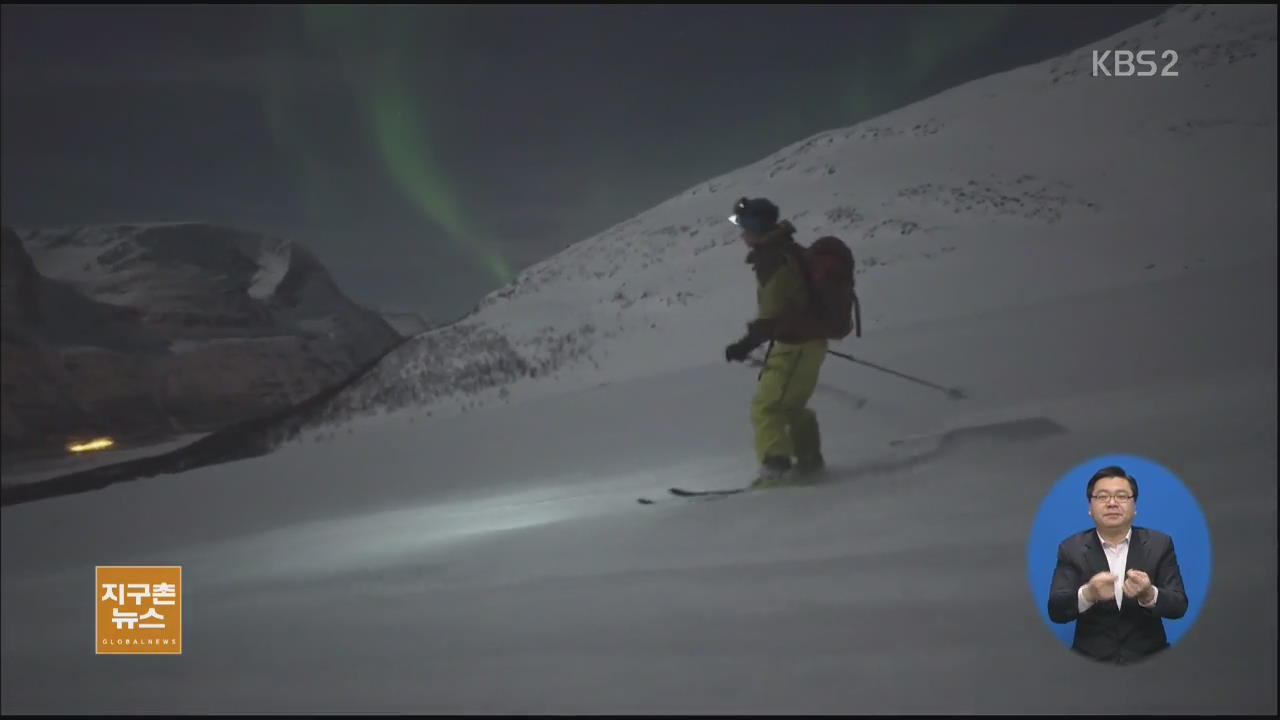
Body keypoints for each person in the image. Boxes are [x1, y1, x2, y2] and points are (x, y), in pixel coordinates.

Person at [724, 197, 828, 488]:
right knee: (792, 406)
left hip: (794, 344)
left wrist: (746, 344)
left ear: (754, 227)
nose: (741, 233)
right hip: (810, 341)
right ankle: (809, 465)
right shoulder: (788, 251)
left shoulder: (774, 259)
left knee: (766, 407)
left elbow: (773, 313)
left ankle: (776, 469)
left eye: (742, 226)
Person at [1047, 465, 1189, 664]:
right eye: (1102, 497)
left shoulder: (1160, 544)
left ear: (1135, 506)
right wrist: (1089, 594)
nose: (1112, 503)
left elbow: (1179, 606)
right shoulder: (1071, 549)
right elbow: (1056, 611)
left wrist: (1149, 594)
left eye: (1122, 496)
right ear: (1090, 507)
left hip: (1150, 659)